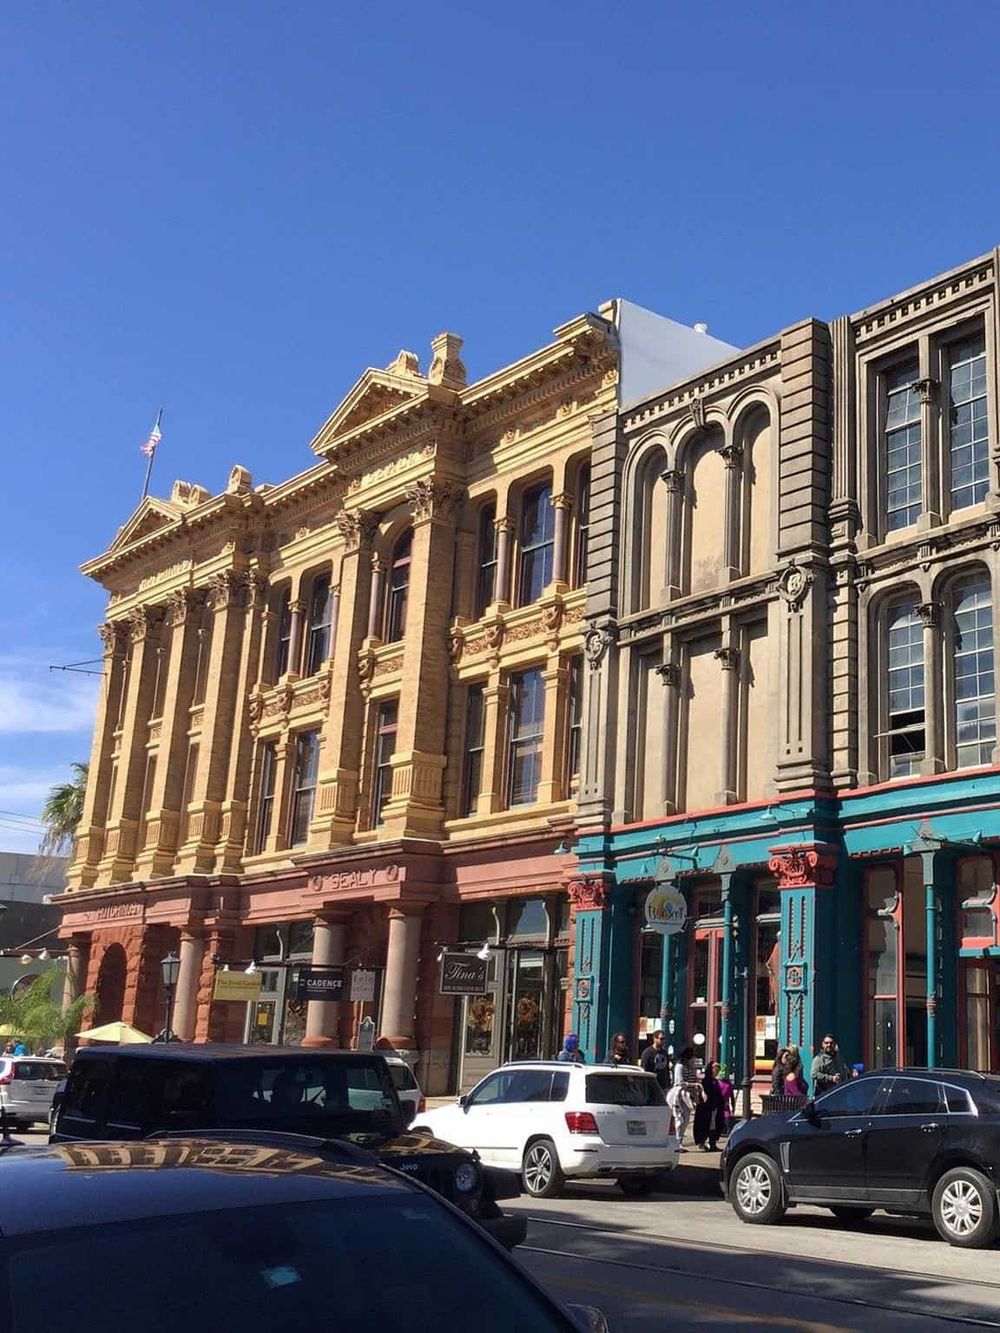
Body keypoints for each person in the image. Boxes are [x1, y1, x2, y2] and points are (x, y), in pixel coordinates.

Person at [693, 1060, 725, 1151]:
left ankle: (713, 1143)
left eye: (718, 1070)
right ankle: (702, 1143)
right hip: (706, 1108)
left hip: (714, 1108)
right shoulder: (706, 1081)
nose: (717, 1072)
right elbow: (704, 1094)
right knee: (704, 1125)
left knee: (713, 1126)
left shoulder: (715, 1081)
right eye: (716, 1069)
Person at [716, 1064, 736, 1132]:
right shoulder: (729, 1084)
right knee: (726, 1116)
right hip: (725, 1103)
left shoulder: (717, 1083)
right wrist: (733, 1107)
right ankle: (727, 1130)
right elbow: (732, 1097)